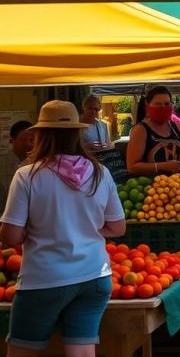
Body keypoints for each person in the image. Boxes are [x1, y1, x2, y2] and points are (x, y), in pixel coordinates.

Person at [1, 100, 125, 357]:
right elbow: (117, 227)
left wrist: (46, 230)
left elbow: (10, 235)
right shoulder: (100, 172)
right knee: (81, 352)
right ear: (77, 133)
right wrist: (83, 230)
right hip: (95, 276)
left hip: (44, 279)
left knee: (21, 351)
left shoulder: (27, 175)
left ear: (41, 134)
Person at [126, 86, 180, 176]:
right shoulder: (141, 130)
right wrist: (162, 166)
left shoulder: (177, 127)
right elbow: (132, 167)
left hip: (178, 186)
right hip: (151, 188)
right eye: (158, 104)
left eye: (167, 104)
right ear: (148, 106)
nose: (163, 107)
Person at [81, 95, 129, 185]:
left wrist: (107, 145)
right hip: (85, 163)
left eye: (96, 109)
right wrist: (85, 146)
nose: (93, 112)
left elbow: (109, 143)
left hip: (102, 161)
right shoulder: (77, 125)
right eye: (90, 108)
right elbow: (71, 147)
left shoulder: (102, 125)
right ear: (84, 108)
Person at [0, 121, 33, 211]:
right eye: (23, 140)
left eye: (32, 140)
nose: (29, 144)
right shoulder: (2, 162)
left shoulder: (38, 164)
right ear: (12, 140)